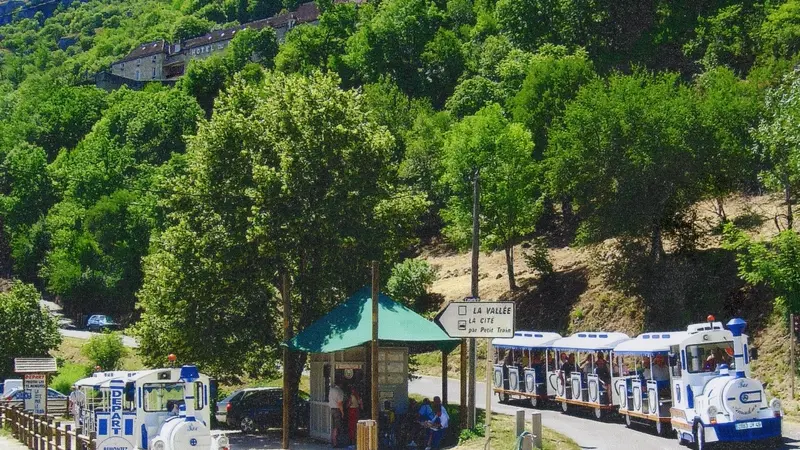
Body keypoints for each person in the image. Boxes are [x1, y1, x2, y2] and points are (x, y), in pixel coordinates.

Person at [329, 382, 345, 447]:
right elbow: (340, 403)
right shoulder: (340, 391)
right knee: (336, 427)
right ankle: (335, 443)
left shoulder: (331, 390)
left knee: (333, 426)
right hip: (337, 410)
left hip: (332, 409)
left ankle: (332, 441)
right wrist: (342, 412)